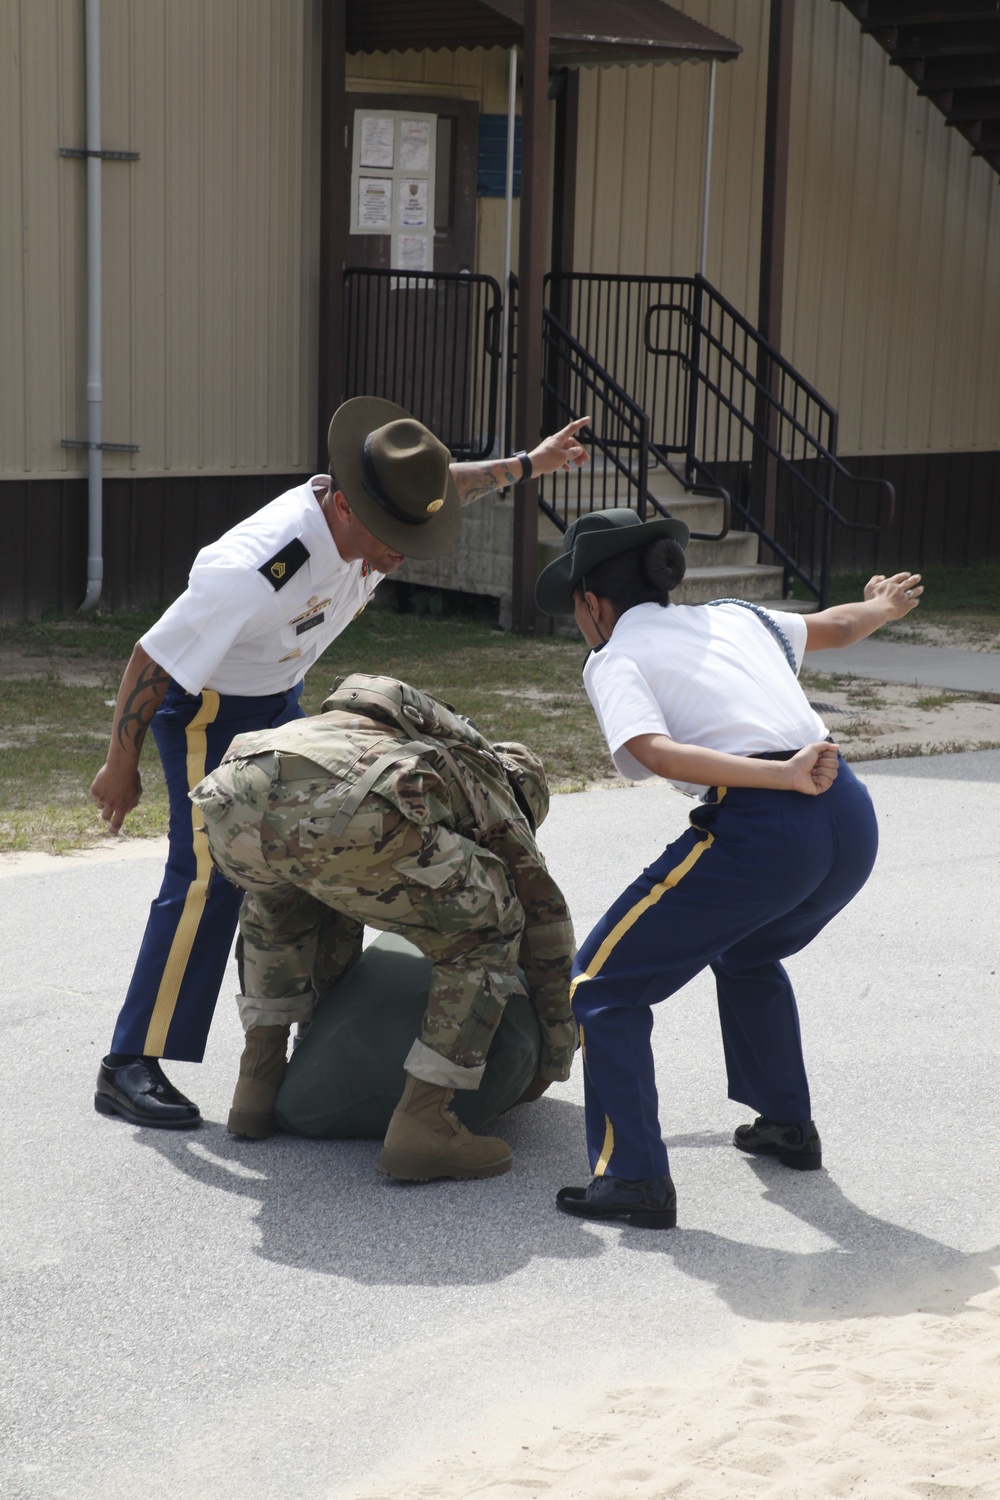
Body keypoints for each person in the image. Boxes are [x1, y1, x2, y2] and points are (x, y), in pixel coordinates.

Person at [90, 399, 588, 1130]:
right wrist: (119, 766)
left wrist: (530, 465)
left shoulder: (379, 510)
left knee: (314, 846)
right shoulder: (255, 566)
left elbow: (450, 481)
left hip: (277, 693)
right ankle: (130, 1061)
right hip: (206, 705)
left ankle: (310, 1026)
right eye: (391, 539)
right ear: (347, 508)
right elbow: (152, 659)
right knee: (210, 872)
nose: (400, 555)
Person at [533, 507, 923, 1229]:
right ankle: (785, 1124)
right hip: (849, 814)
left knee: (602, 983)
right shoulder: (735, 616)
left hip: (772, 820)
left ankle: (634, 1181)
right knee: (748, 950)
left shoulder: (615, 656)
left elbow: (652, 752)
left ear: (592, 603)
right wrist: (880, 605)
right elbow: (835, 627)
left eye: (577, 609)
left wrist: (774, 779)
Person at [189, 673, 577, 1182]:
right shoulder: (492, 782)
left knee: (286, 895)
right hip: (345, 803)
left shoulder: (372, 730)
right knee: (490, 924)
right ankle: (425, 1123)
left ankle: (257, 1084)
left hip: (236, 786)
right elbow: (546, 923)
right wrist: (556, 1053)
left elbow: (340, 875)